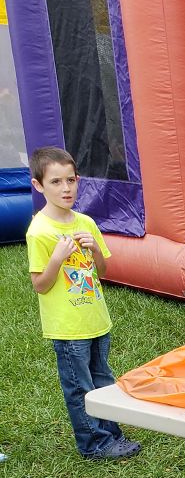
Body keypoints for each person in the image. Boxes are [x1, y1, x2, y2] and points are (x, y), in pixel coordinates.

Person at [26, 146, 140, 461]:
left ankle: (112, 434)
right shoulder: (40, 232)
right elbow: (40, 285)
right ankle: (94, 444)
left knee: (102, 380)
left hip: (96, 319)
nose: (66, 188)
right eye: (55, 182)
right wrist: (57, 259)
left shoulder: (86, 223)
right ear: (38, 185)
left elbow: (102, 272)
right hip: (68, 327)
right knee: (80, 387)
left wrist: (96, 251)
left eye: (71, 180)